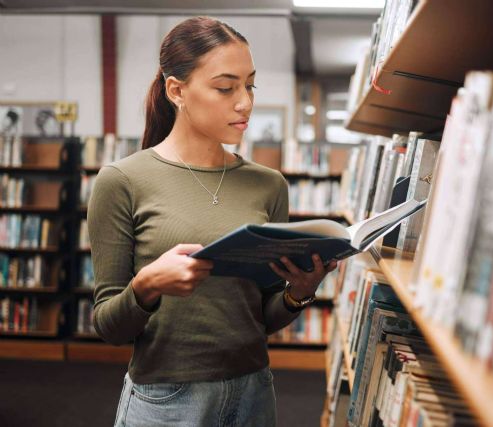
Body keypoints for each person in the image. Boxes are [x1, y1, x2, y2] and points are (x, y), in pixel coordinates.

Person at [88, 16, 337, 427]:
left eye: (250, 85)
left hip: (255, 392)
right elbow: (109, 326)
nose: (245, 102)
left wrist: (299, 293)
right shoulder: (122, 181)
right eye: (226, 87)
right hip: (167, 400)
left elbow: (261, 317)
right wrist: (147, 286)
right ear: (176, 90)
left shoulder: (269, 185)